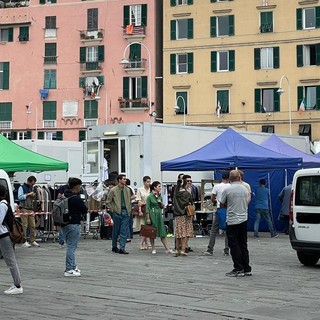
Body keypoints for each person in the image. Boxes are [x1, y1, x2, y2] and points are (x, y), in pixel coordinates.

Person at [220, 170, 252, 277]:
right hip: (243, 218)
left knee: (234, 245)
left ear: (230, 178)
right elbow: (247, 201)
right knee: (243, 244)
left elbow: (222, 204)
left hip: (232, 219)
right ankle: (246, 267)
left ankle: (238, 268)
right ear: (239, 178)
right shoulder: (245, 189)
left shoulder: (228, 189)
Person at [61, 178, 88, 277]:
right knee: (71, 247)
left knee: (70, 245)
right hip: (74, 223)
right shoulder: (76, 198)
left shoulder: (64, 195)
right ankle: (69, 269)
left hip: (64, 223)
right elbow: (84, 209)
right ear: (77, 187)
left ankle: (73, 265)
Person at [0, 185, 23, 295]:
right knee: (10, 259)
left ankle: (17, 285)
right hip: (4, 235)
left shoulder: (2, 205)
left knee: (10, 260)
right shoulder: (3, 203)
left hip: (4, 235)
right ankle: (16, 284)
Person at [204, 171, 230, 256]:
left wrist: (214, 201)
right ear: (229, 177)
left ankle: (210, 249)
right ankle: (227, 250)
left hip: (219, 209)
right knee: (228, 230)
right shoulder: (231, 186)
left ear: (222, 177)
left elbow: (212, 198)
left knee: (214, 230)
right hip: (229, 210)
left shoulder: (217, 186)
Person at [146, 181, 174, 255]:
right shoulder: (150, 197)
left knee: (162, 232)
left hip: (159, 214)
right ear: (154, 187)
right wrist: (148, 218)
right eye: (159, 186)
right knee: (152, 232)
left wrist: (161, 203)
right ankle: (153, 248)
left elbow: (161, 206)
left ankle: (167, 248)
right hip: (152, 214)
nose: (160, 188)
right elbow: (147, 208)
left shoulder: (159, 196)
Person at [106, 174, 132, 254]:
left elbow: (129, 200)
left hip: (126, 212)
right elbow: (108, 201)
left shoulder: (127, 189)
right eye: (124, 179)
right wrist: (113, 209)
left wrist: (129, 209)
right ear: (119, 180)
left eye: (125, 179)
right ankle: (114, 246)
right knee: (116, 230)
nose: (125, 180)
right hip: (117, 212)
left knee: (124, 230)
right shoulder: (113, 190)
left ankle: (122, 247)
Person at [173, 177, 194, 256]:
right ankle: (183, 250)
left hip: (178, 215)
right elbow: (191, 202)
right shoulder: (187, 194)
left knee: (178, 233)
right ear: (185, 185)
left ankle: (177, 250)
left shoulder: (176, 193)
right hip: (185, 214)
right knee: (185, 233)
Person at [18, 175, 40, 248]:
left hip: (31, 208)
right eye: (32, 183)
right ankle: (24, 241)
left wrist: (33, 195)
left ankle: (32, 240)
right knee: (24, 225)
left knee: (33, 225)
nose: (33, 185)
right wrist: (28, 194)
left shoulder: (31, 188)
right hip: (24, 207)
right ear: (29, 181)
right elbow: (20, 197)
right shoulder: (21, 187)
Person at [135, 175, 151, 250]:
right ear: (144, 182)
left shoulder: (151, 189)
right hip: (143, 209)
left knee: (148, 227)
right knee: (143, 227)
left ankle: (147, 242)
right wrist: (140, 210)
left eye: (149, 181)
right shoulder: (140, 189)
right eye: (147, 181)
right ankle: (142, 242)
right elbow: (138, 200)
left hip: (150, 209)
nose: (149, 183)